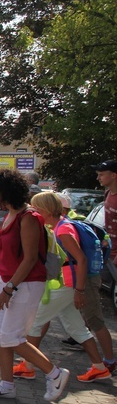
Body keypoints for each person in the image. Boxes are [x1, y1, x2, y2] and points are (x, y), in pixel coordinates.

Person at [0, 168, 69, 402]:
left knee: (12, 337)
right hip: (7, 282)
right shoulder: (9, 214)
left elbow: (29, 259)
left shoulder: (28, 217)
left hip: (26, 285)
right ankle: (7, 385)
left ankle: (55, 373)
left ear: (7, 192)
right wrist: (0, 285)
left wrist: (10, 288)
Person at [16, 192, 110, 382]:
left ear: (45, 209)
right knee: (76, 327)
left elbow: (81, 259)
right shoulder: (59, 225)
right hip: (68, 284)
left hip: (67, 284)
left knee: (35, 323)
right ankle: (99, 367)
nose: (34, 211)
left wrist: (79, 290)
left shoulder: (63, 230)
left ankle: (28, 366)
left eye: (36, 208)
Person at [90, 159, 117, 373]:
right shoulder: (109, 195)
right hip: (109, 255)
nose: (99, 177)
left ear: (114, 175)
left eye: (102, 173)